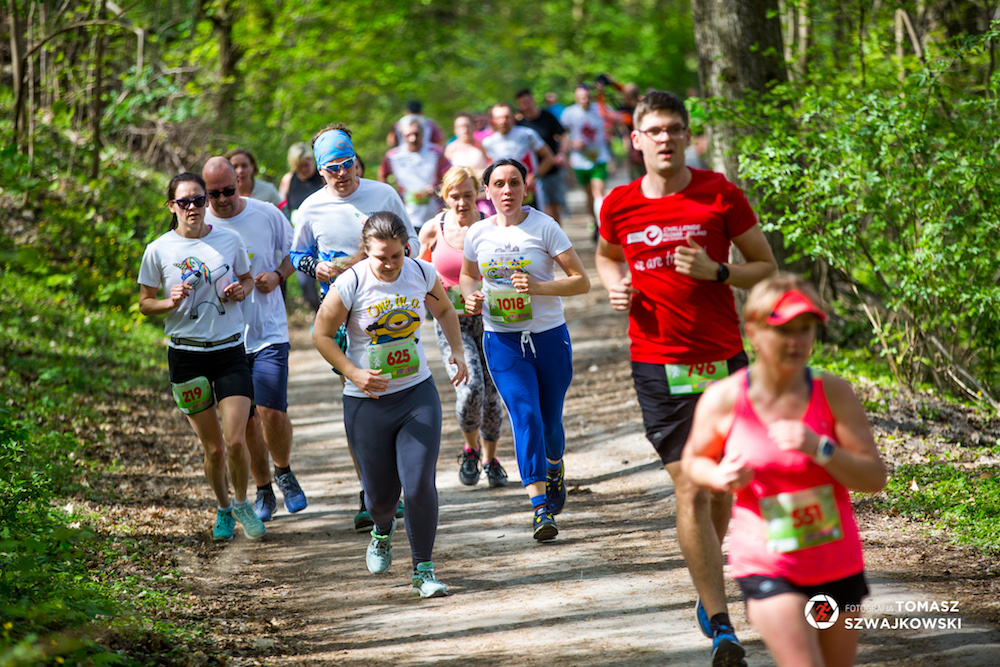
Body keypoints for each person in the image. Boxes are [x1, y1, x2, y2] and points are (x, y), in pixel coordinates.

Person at [595, 89, 777, 665]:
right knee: (692, 486)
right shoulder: (619, 203)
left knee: (723, 484)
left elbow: (766, 267)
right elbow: (606, 255)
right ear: (636, 140)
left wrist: (718, 271)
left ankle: (707, 579)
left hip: (723, 361)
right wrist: (614, 285)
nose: (665, 138)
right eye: (654, 130)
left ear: (687, 135)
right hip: (657, 365)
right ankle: (722, 624)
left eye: (674, 128)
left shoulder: (719, 193)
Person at [682, 274, 887, 667]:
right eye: (784, 330)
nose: (796, 341)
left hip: (836, 563)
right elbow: (693, 463)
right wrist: (719, 477)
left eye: (805, 329)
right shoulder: (724, 398)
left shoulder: (834, 393)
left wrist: (821, 448)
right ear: (753, 331)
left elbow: (873, 478)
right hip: (768, 566)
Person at [313, 212, 468, 598]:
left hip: (417, 394)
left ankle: (423, 570)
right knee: (381, 499)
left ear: (407, 249)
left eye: (396, 255)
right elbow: (321, 335)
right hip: (367, 403)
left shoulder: (421, 272)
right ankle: (382, 531)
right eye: (381, 257)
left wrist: (457, 352)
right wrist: (354, 373)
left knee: (418, 485)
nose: (390, 264)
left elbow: (445, 310)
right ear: (366, 251)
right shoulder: (351, 283)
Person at [291, 123, 419, 530]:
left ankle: (393, 487)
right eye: (332, 168)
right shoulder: (311, 207)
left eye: (347, 164)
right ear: (319, 170)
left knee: (396, 393)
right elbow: (296, 255)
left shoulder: (383, 195)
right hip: (341, 316)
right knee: (361, 402)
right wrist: (316, 266)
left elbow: (413, 243)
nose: (342, 173)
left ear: (355, 160)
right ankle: (370, 492)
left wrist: (377, 260)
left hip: (390, 310)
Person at [460, 159, 590, 541]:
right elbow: (468, 275)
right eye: (499, 184)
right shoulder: (478, 233)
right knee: (525, 416)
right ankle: (539, 508)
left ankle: (554, 467)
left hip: (549, 337)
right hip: (502, 340)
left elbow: (580, 281)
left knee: (550, 423)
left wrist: (538, 287)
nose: (507, 190)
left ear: (525, 188)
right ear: (486, 191)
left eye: (514, 182)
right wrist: (470, 296)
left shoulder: (545, 227)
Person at [137, 173, 267, 542]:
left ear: (206, 203)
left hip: (229, 350)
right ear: (172, 206)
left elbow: (246, 279)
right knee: (213, 447)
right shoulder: (158, 249)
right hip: (186, 355)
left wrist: (240, 291)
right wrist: (170, 301)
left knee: (236, 440)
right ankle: (223, 508)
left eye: (198, 200)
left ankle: (242, 502)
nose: (192, 207)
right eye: (184, 202)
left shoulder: (229, 239)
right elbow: (145, 304)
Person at [202, 157, 308, 522]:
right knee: (246, 422)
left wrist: (278, 275)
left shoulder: (266, 213)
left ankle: (284, 471)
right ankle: (263, 489)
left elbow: (296, 252)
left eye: (228, 191)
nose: (222, 200)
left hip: (268, 331)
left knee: (271, 411)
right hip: (226, 339)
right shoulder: (199, 225)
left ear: (239, 181)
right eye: (213, 194)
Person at [418, 166, 507, 488]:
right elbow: (418, 273)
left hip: (491, 319)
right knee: (471, 389)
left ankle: (491, 459)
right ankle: (471, 450)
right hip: (451, 322)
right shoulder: (433, 229)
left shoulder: (491, 227)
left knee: (492, 395)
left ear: (478, 194)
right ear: (445, 196)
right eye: (455, 196)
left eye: (468, 195)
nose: (462, 202)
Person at [378, 115, 450, 231]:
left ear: (423, 133)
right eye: (408, 135)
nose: (413, 139)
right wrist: (392, 195)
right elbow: (382, 173)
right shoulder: (393, 156)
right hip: (406, 216)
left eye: (416, 134)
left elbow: (450, 177)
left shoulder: (435, 152)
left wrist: (436, 190)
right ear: (402, 136)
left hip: (435, 214)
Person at [560, 84, 613, 238]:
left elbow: (614, 121)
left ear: (590, 96)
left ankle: (602, 225)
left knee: (598, 193)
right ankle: (594, 221)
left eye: (586, 96)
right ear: (576, 98)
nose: (584, 99)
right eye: (581, 97)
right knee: (589, 195)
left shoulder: (600, 109)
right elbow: (561, 134)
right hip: (580, 161)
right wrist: (572, 144)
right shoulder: (569, 113)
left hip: (599, 158)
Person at [279, 142, 325, 312]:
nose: (305, 169)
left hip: (322, 234)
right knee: (305, 283)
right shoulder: (288, 180)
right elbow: (282, 206)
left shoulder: (322, 177)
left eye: (307, 163)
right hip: (301, 237)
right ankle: (319, 312)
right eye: (300, 166)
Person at [481, 103, 555, 208]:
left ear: (513, 117)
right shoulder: (488, 143)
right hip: (504, 194)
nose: (503, 121)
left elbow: (548, 157)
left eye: (506, 117)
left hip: (529, 190)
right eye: (499, 118)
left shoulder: (527, 134)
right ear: (493, 120)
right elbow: (490, 166)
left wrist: (534, 176)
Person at [515, 88, 568, 224]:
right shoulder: (520, 125)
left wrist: (561, 154)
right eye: (522, 104)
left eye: (527, 102)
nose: (526, 106)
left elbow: (563, 136)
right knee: (542, 207)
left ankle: (556, 232)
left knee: (554, 205)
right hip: (531, 174)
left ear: (533, 101)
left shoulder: (547, 116)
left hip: (552, 168)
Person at [444, 112, 494, 217]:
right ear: (455, 130)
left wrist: (483, 172)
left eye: (468, 126)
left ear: (474, 127)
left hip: (481, 194)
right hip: (460, 195)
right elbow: (445, 171)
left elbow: (491, 164)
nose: (465, 130)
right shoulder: (451, 148)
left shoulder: (481, 145)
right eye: (461, 127)